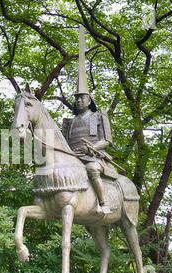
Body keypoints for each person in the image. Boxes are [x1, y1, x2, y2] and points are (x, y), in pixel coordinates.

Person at [62, 26, 117, 215]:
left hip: (93, 157)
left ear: (89, 99)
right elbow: (64, 143)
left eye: (83, 97)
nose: (79, 100)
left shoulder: (98, 116)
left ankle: (104, 202)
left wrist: (92, 148)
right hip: (73, 157)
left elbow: (107, 140)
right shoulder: (69, 122)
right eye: (77, 98)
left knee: (93, 170)